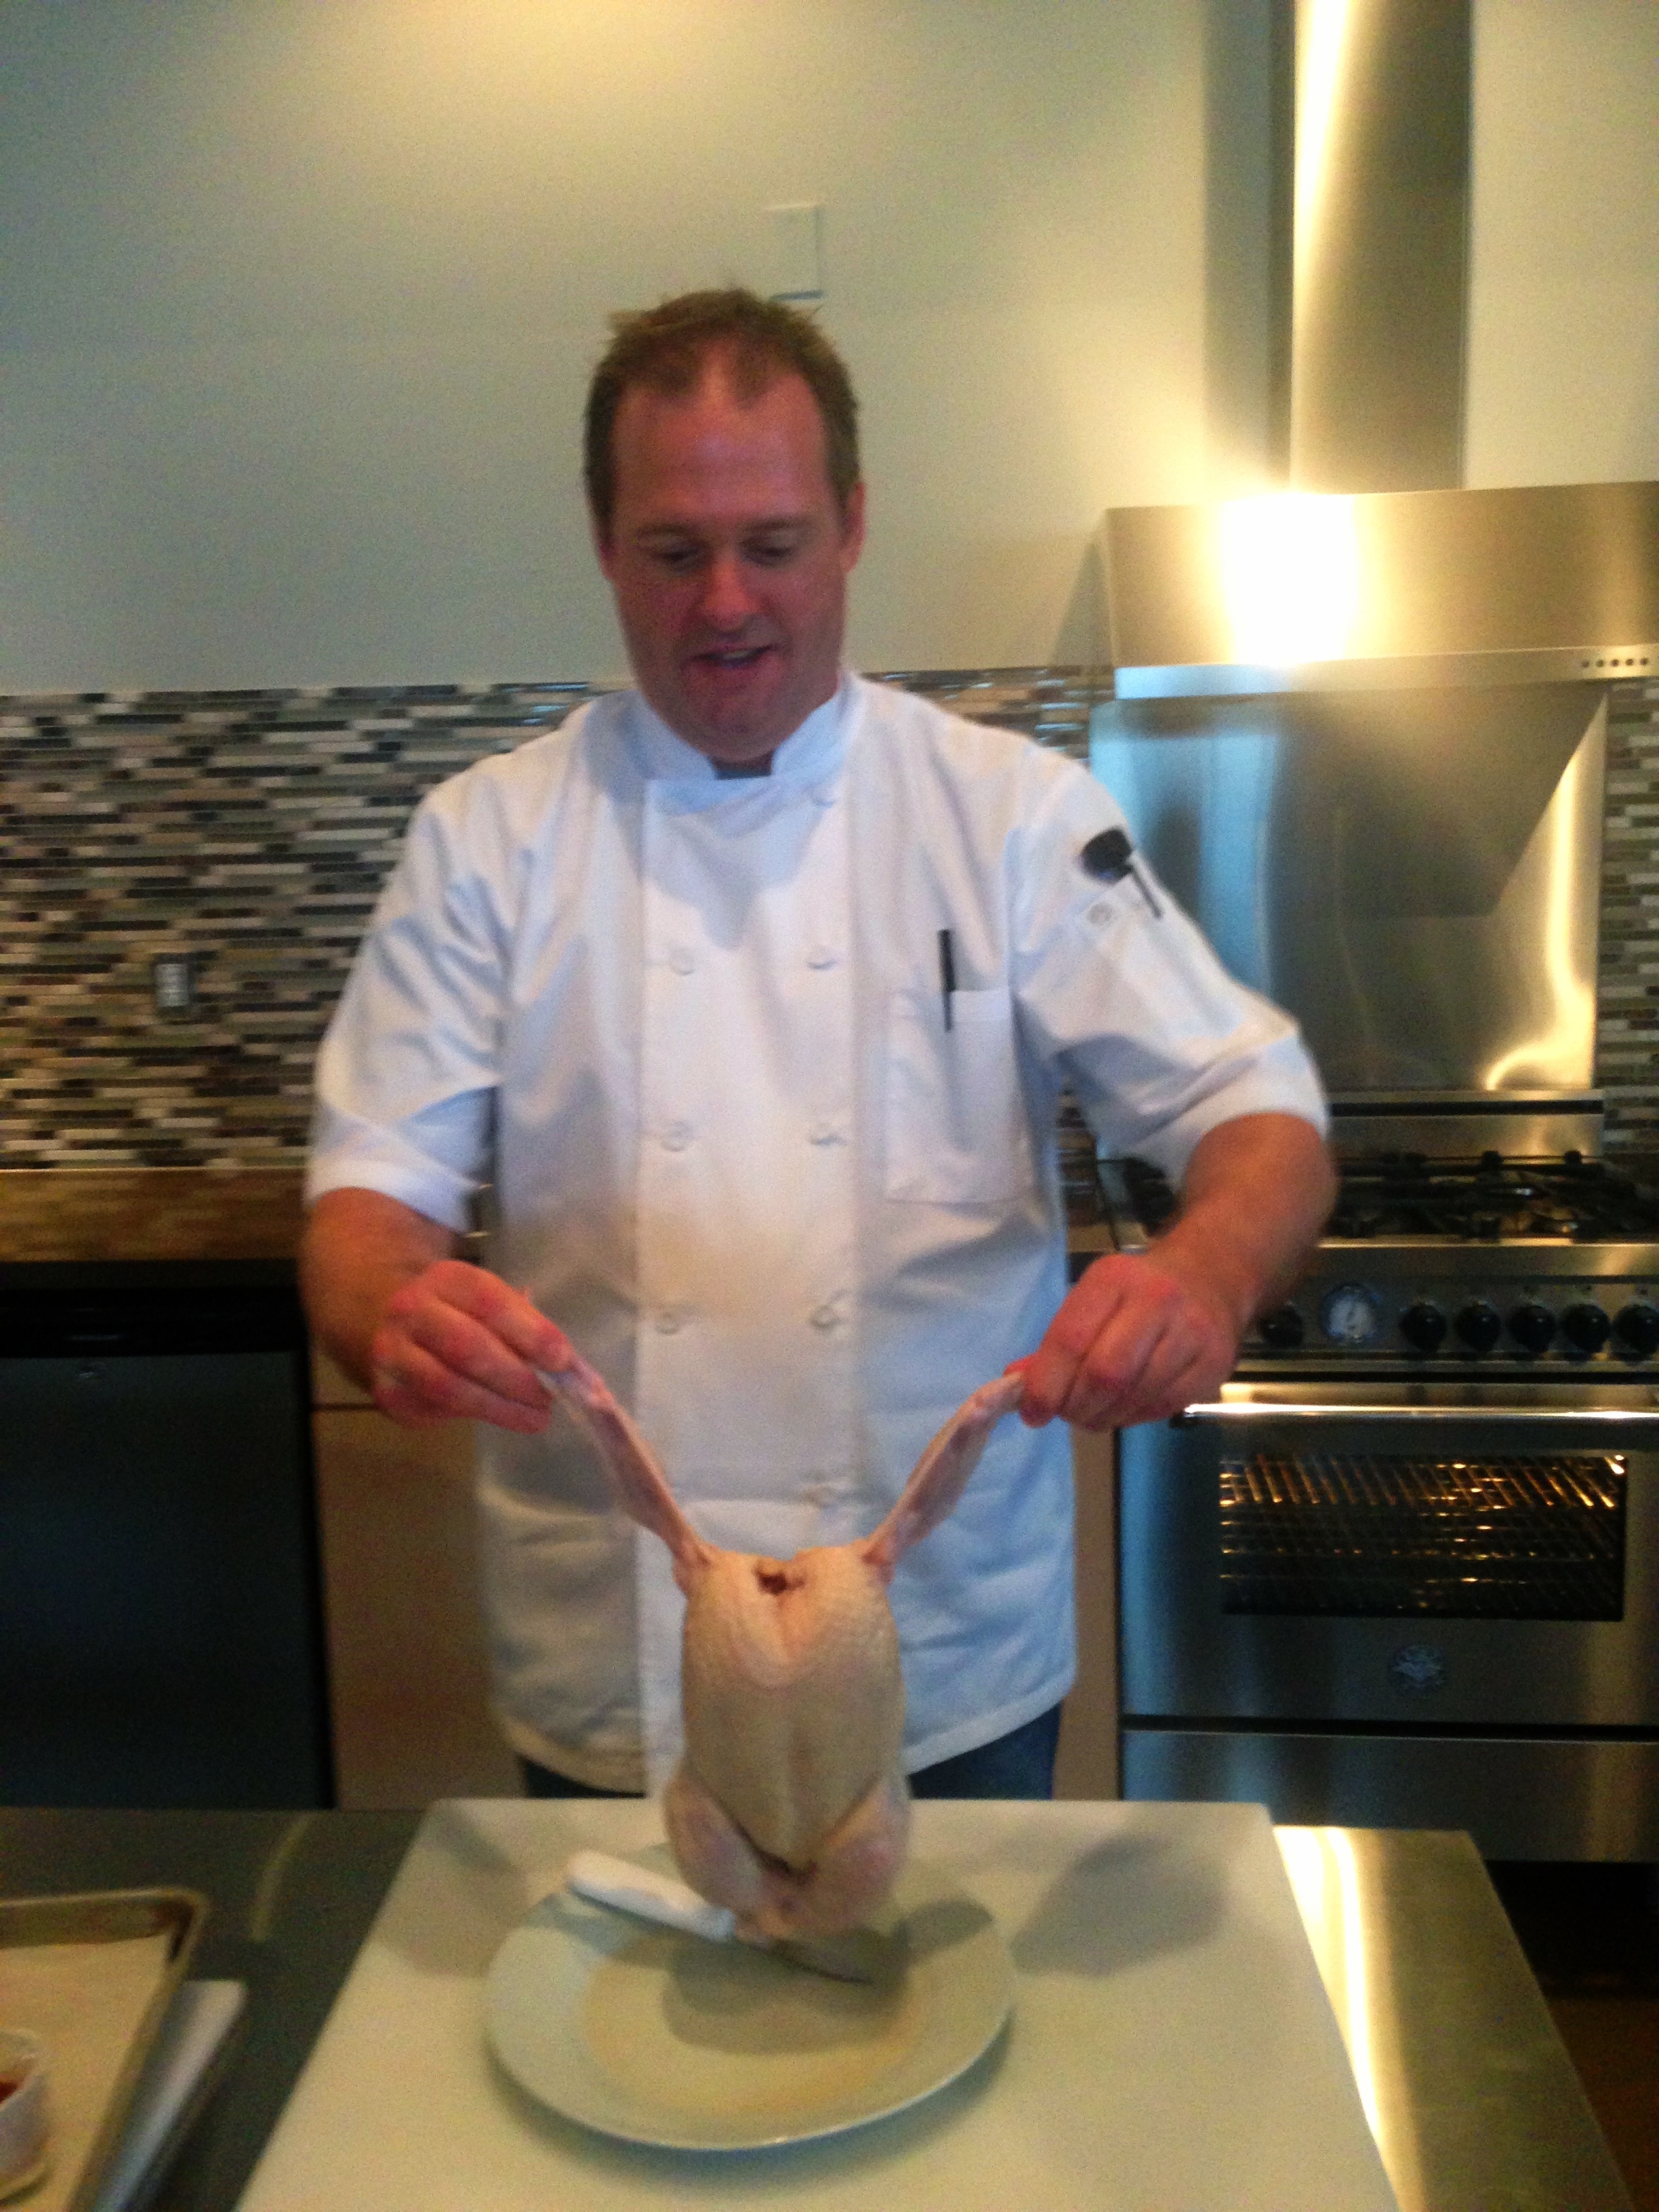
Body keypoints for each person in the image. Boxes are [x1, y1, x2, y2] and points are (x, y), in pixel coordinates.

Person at [301, 288, 1334, 1803]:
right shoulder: (486, 843)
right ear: (604, 544)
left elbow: (1258, 1110)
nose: (727, 600)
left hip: (940, 1654)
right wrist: (390, 1311)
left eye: (773, 545)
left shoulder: (1008, 819)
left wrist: (1208, 1274)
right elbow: (363, 1209)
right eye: (675, 552)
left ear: (851, 526)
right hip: (623, 1664)